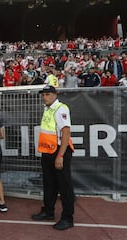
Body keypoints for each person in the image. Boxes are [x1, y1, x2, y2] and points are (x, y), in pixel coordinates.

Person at [32, 85, 75, 231]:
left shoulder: (61, 108)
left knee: (64, 185)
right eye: (43, 94)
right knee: (49, 183)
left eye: (47, 94)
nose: (44, 97)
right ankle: (48, 211)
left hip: (59, 152)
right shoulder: (47, 108)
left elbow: (66, 133)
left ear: (55, 94)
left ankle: (68, 218)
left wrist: (60, 156)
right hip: (48, 152)